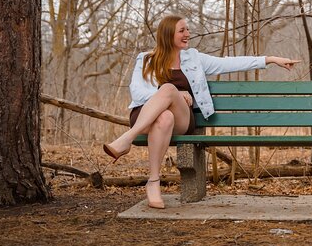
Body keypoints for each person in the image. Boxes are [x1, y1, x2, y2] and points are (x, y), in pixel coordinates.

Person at [104, 14, 299, 209]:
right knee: (164, 115)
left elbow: (229, 63)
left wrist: (270, 59)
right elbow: (137, 92)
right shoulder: (146, 60)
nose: (187, 34)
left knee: (169, 90)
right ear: (168, 34)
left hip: (182, 119)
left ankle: (127, 138)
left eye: (187, 30)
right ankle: (153, 181)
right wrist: (174, 95)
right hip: (147, 116)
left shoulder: (194, 58)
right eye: (182, 31)